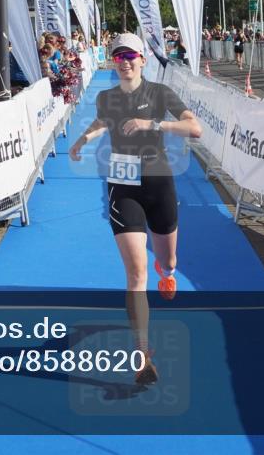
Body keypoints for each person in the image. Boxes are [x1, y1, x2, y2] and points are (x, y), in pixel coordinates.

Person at [68, 33, 202, 386]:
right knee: (135, 274)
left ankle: (167, 268)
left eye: (131, 55)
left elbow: (195, 128)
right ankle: (142, 354)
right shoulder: (106, 97)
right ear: (113, 61)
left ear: (142, 59)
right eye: (118, 56)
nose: (124, 61)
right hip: (122, 187)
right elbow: (104, 122)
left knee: (167, 261)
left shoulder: (159, 93)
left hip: (159, 185)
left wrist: (154, 124)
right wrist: (84, 138)